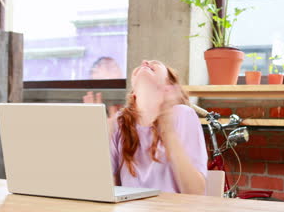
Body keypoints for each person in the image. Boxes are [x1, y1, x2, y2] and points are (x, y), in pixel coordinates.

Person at [83, 60, 207, 195]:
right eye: (141, 65)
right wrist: (99, 138)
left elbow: (196, 192)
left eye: (155, 64)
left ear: (168, 86)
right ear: (134, 93)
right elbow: (103, 189)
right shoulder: (119, 122)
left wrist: (169, 134)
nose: (144, 62)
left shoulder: (182, 114)